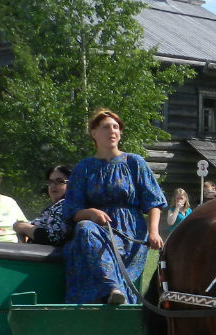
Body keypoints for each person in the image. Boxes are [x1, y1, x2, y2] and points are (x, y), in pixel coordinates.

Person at [62, 108, 166, 305]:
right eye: (106, 127)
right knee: (84, 228)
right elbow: (70, 209)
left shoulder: (135, 162)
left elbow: (154, 202)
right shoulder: (83, 168)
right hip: (96, 233)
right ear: (94, 133)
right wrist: (89, 213)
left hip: (130, 235)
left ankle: (116, 294)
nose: (113, 131)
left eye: (116, 127)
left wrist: (154, 232)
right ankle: (113, 289)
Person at [14, 165, 72, 245]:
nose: (53, 185)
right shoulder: (52, 207)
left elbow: (50, 238)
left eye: (59, 181)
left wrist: (24, 227)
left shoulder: (67, 206)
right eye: (50, 182)